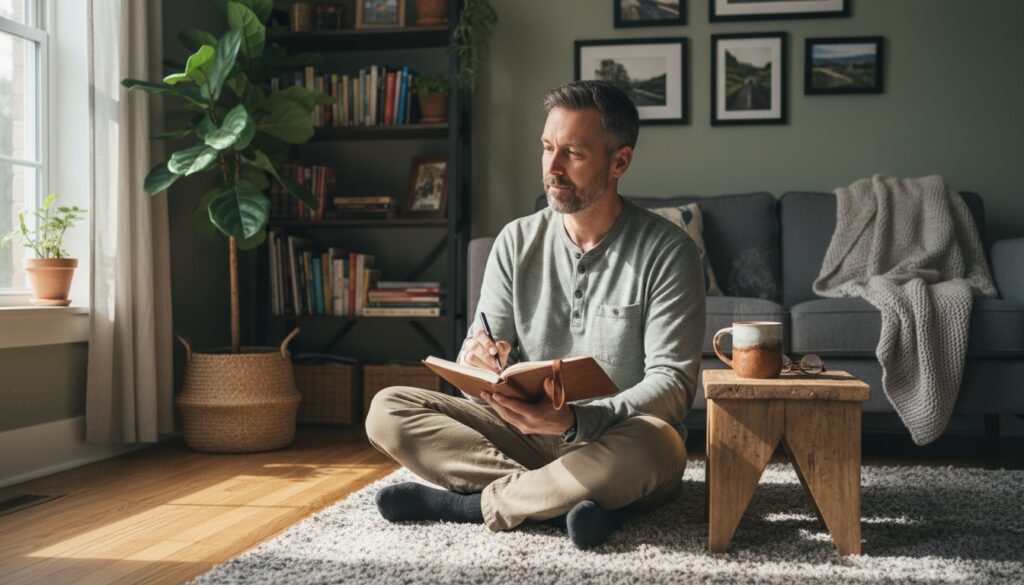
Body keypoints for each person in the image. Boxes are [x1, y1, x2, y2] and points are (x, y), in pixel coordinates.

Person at [365, 80, 706, 549]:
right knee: (388, 410)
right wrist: (478, 360)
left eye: (573, 154)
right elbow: (485, 345)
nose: (552, 167)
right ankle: (564, 503)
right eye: (547, 147)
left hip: (616, 438)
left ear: (619, 162)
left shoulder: (669, 252)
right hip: (522, 432)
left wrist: (573, 423)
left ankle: (471, 506)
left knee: (662, 446)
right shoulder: (514, 242)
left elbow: (672, 386)